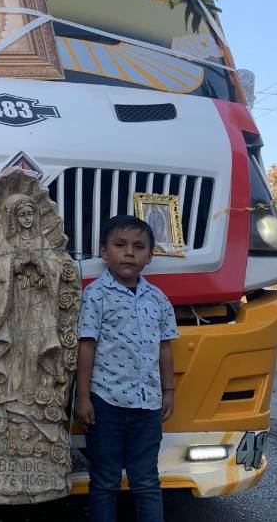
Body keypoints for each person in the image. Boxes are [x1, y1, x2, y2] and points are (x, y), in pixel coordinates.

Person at [76, 215, 177, 522]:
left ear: (149, 256)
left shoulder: (158, 299)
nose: (129, 253)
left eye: (138, 246)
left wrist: (168, 392)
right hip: (105, 405)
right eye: (120, 245)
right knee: (105, 481)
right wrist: (83, 398)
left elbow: (165, 347)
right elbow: (87, 345)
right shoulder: (95, 295)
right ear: (104, 251)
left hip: (147, 407)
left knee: (146, 480)